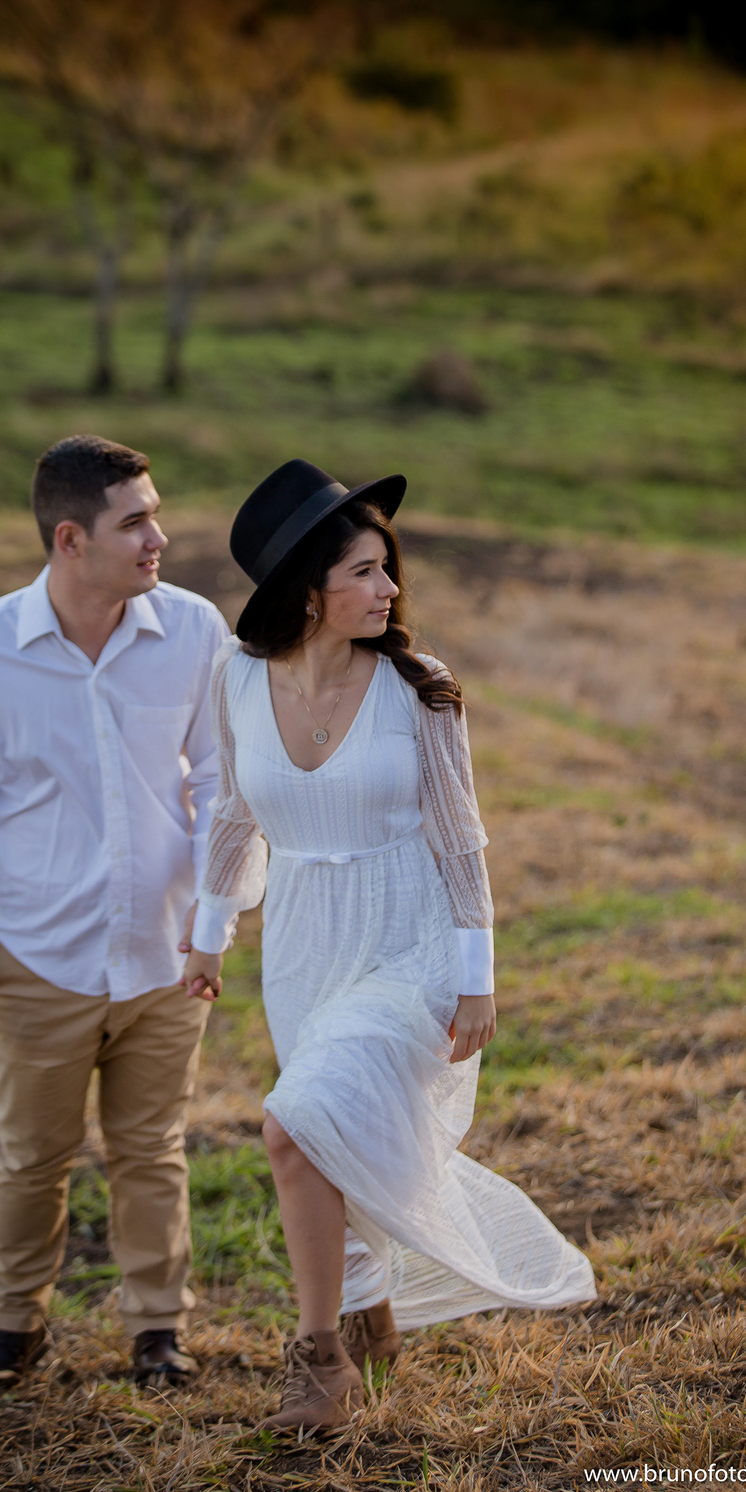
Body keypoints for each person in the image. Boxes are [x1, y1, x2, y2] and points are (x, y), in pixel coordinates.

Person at [177, 459, 595, 1434]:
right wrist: (209, 938)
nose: (389, 589)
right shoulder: (238, 677)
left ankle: (318, 1360)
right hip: (304, 944)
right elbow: (234, 815)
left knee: (293, 1126)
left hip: (410, 939)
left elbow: (459, 837)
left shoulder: (419, 687)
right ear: (306, 590)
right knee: (329, 1137)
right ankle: (367, 1307)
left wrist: (477, 978)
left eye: (386, 568)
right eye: (364, 572)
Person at [0, 434, 230, 1388]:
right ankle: (12, 1328)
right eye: (136, 523)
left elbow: (223, 786)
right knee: (29, 1156)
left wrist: (214, 919)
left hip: (166, 953)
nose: (159, 537)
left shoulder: (195, 630)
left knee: (152, 1151)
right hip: (35, 955)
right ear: (70, 539)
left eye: (155, 515)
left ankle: (158, 1330)